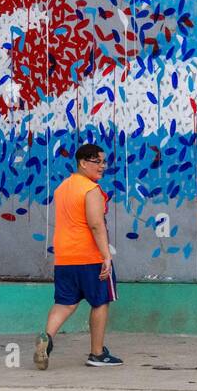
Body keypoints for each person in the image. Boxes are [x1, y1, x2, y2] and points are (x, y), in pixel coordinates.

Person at [33, 144, 123, 369]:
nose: (102, 166)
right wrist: (106, 256)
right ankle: (97, 353)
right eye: (97, 162)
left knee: (64, 303)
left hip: (64, 258)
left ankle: (47, 338)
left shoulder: (62, 188)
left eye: (104, 161)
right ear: (83, 163)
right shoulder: (90, 190)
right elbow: (95, 224)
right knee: (100, 301)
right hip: (89, 257)